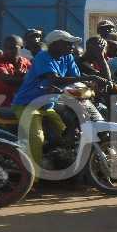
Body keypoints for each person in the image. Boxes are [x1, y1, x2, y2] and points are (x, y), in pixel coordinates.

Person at [12, 30, 104, 166]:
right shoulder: (43, 57)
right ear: (55, 45)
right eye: (68, 43)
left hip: (48, 105)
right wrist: (90, 77)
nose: (72, 46)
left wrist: (92, 84)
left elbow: (76, 79)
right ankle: (34, 175)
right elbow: (54, 80)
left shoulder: (68, 57)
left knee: (65, 132)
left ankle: (60, 162)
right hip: (28, 105)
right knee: (37, 137)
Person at [0, 35, 31, 107]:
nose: (9, 51)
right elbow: (6, 79)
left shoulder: (26, 62)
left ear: (21, 48)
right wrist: (26, 78)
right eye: (6, 48)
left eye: (13, 48)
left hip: (21, 104)